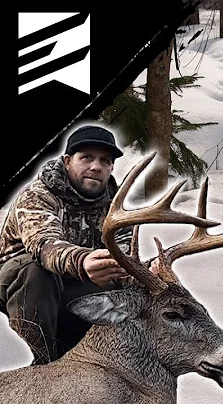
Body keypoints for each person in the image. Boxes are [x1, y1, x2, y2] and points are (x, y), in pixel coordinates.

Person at [0, 124, 143, 365]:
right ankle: (39, 365)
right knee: (36, 271)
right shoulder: (39, 194)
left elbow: (123, 259)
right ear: (67, 161)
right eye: (86, 157)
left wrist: (146, 275)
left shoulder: (114, 210)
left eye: (104, 161)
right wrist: (83, 261)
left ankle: (98, 364)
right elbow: (43, 244)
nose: (96, 166)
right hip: (16, 291)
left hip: (69, 293)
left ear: (111, 167)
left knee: (126, 295)